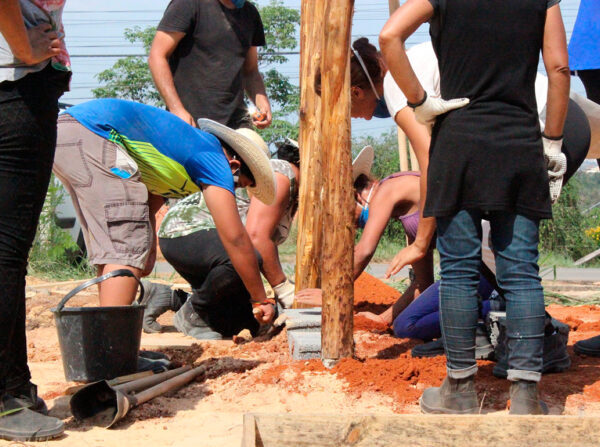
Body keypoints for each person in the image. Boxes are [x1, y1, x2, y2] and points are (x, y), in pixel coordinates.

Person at [379, 0, 570, 415]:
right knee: (520, 272)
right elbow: (557, 70)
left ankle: (460, 389)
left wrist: (419, 100)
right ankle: (525, 395)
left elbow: (389, 36)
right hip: (518, 143)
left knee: (460, 273)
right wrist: (551, 142)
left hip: (459, 143)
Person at [53, 99, 277, 327]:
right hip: (93, 132)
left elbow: (146, 205)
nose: (232, 190)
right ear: (234, 166)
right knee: (124, 248)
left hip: (73, 132)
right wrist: (260, 298)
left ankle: (117, 345)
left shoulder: (184, 154)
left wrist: (145, 250)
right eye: (238, 184)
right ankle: (113, 351)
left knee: (125, 249)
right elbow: (235, 238)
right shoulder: (214, 159)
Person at [142, 139, 300, 339]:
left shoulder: (293, 189)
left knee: (241, 320)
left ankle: (170, 298)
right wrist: (283, 290)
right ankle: (195, 313)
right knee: (243, 258)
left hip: (211, 243)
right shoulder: (282, 174)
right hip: (186, 231)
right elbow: (255, 237)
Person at [0, 0, 70, 441]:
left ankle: (15, 389)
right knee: (5, 253)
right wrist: (25, 48)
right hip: (14, 91)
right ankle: (6, 398)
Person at [296, 145, 434, 311]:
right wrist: (383, 319)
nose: (354, 225)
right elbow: (423, 283)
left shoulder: (387, 190)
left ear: (354, 197)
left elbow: (364, 251)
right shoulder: (411, 222)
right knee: (406, 327)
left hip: (467, 271)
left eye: (346, 216)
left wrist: (331, 291)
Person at [148, 0, 272, 130]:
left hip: (236, 123)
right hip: (192, 122)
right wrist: (176, 109)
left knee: (257, 149)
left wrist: (262, 102)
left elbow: (250, 70)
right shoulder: (187, 4)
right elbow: (157, 57)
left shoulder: (249, 13)